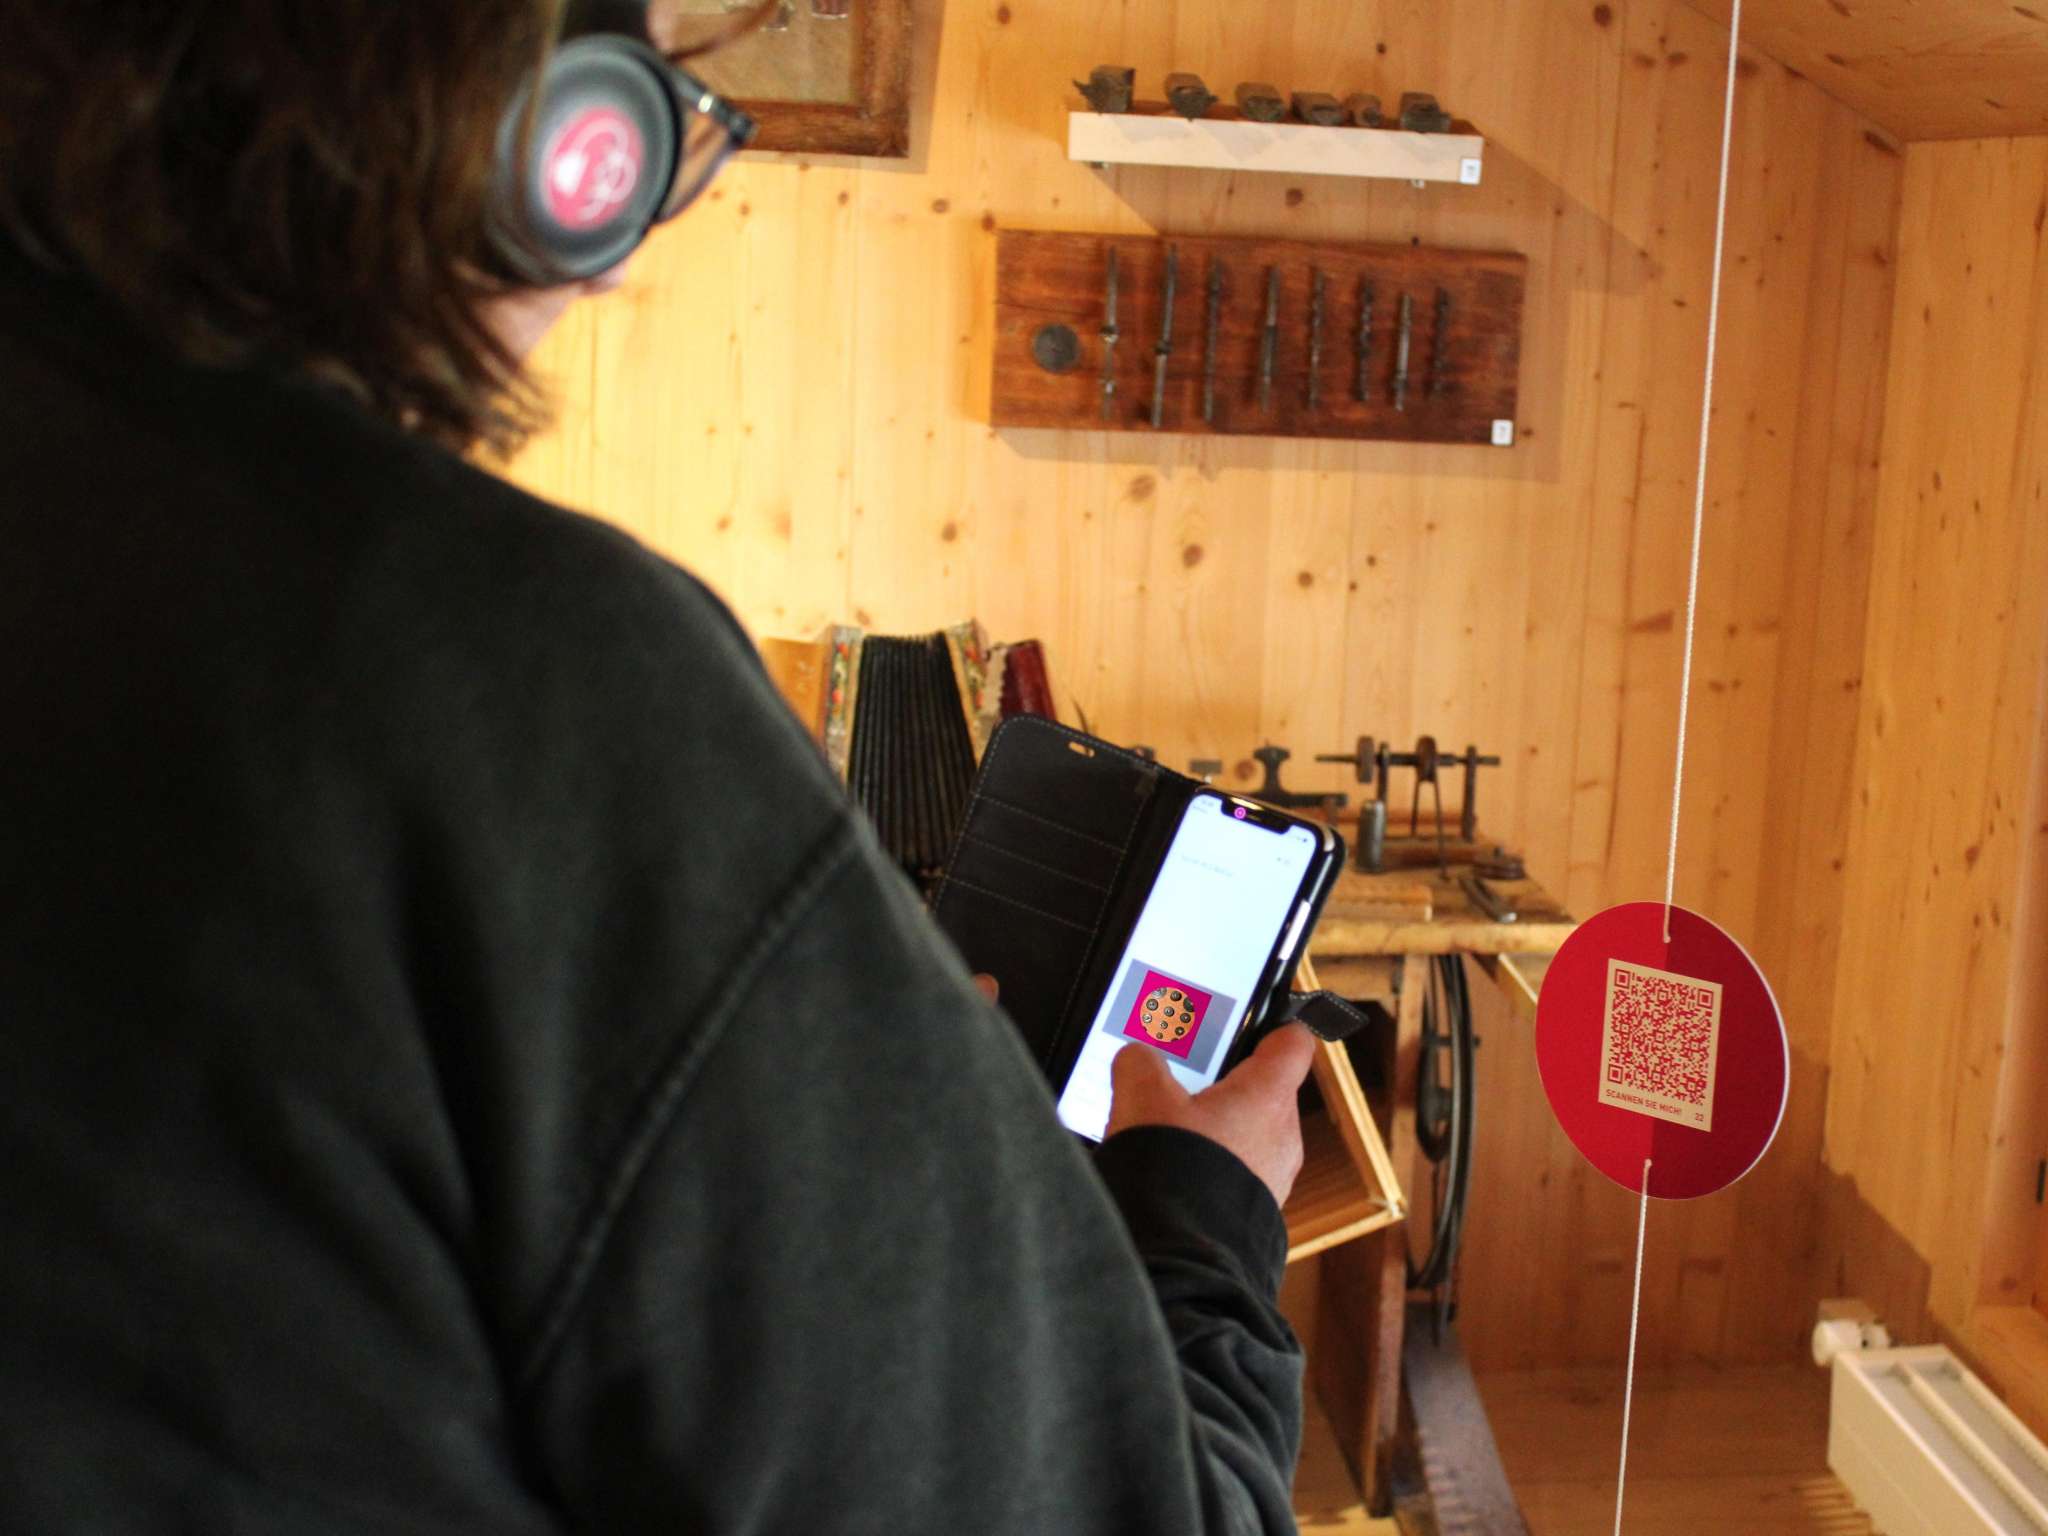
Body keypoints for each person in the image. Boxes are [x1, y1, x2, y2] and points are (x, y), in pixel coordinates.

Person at [0, 3, 1320, 1530]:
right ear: (529, 98)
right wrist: (1203, 1221)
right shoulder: (504, 678)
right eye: (655, 91)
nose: (614, 266)